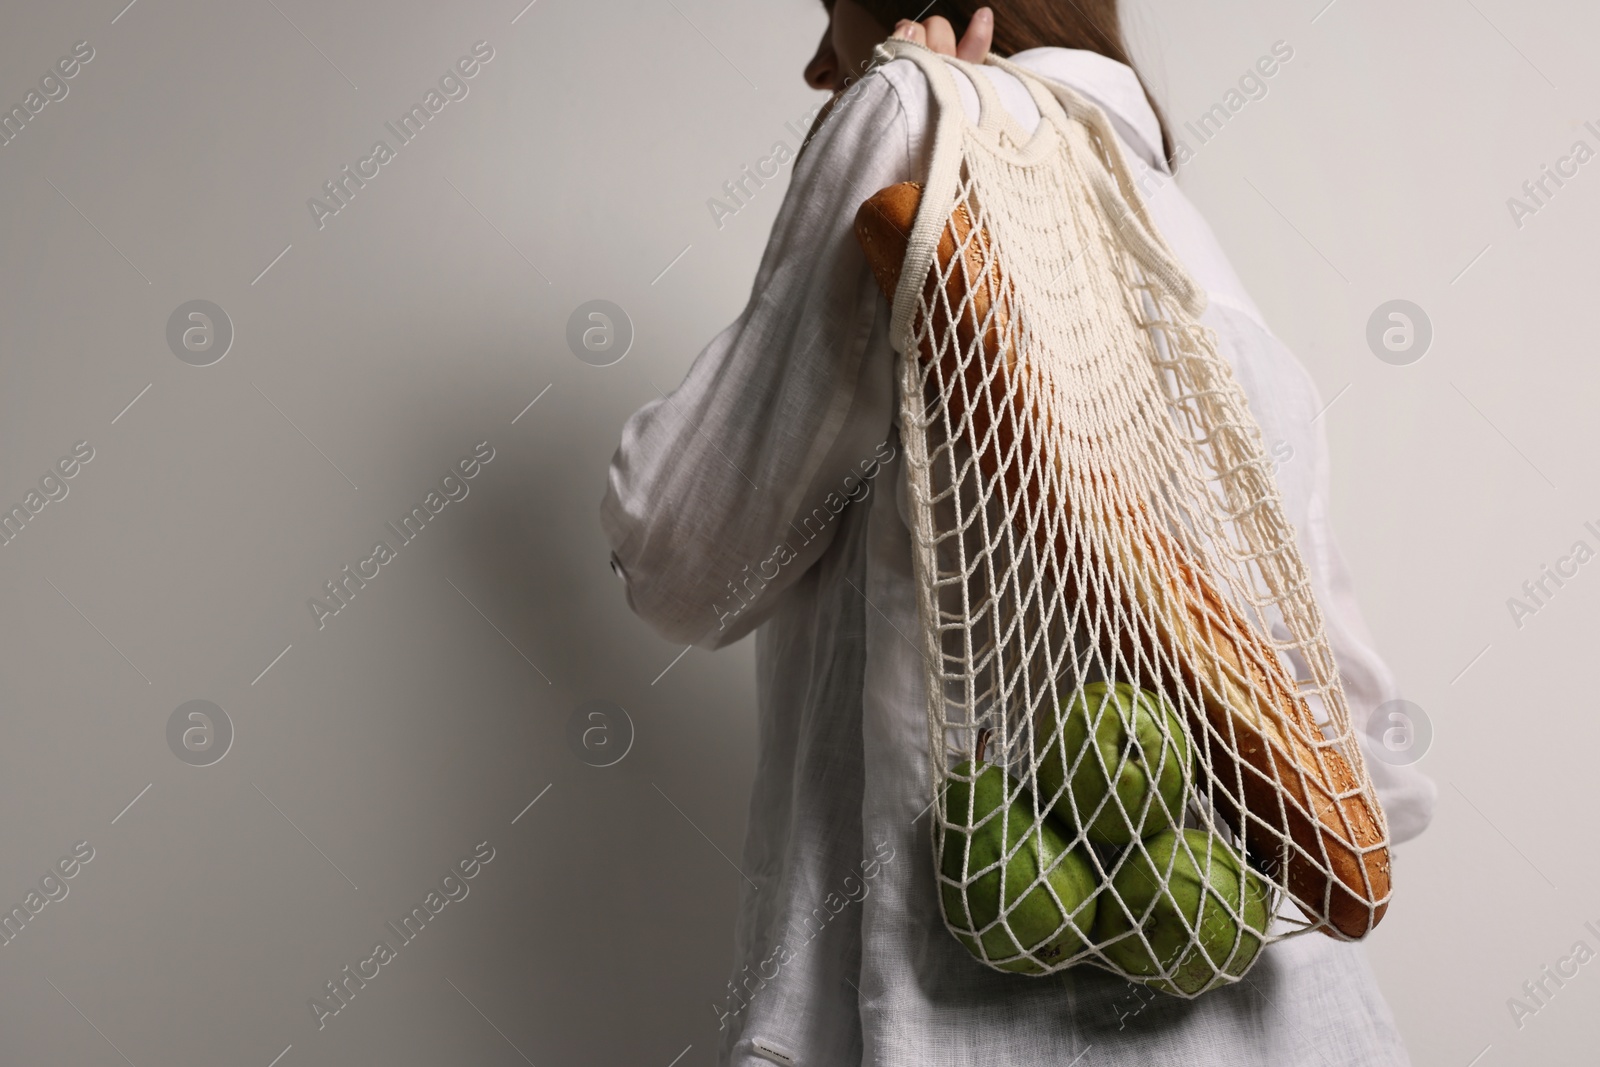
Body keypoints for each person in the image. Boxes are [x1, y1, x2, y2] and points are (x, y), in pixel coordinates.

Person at [602, 3, 1438, 1063]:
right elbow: (1377, 772)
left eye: (827, 8)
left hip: (970, 1023)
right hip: (1289, 1018)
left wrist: (897, 103)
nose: (819, 63)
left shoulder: (918, 114)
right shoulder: (1186, 238)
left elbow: (682, 556)